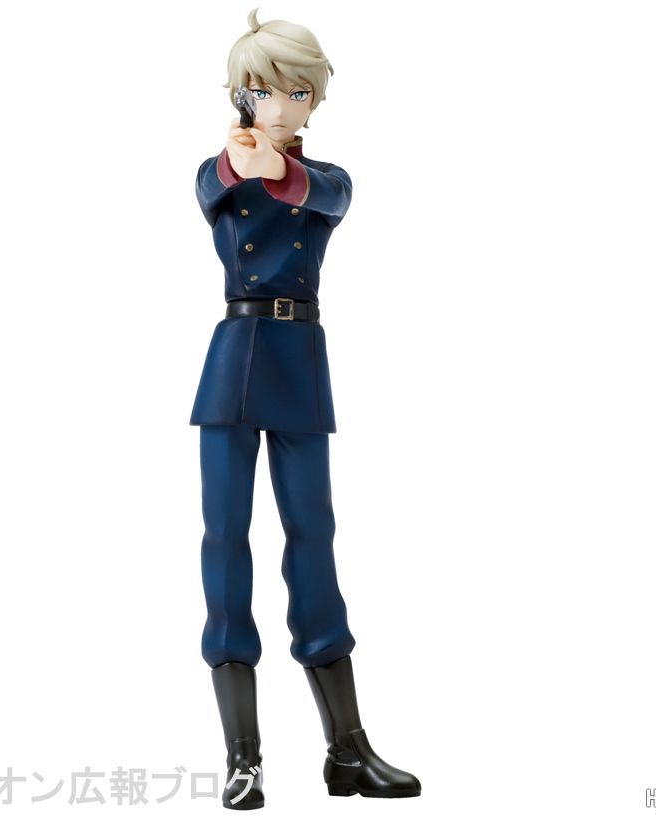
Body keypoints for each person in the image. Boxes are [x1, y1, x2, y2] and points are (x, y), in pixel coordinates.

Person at [189, 8, 421, 809]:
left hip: (298, 361)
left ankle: (347, 749)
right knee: (226, 543)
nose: (281, 105)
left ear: (315, 98)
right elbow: (216, 184)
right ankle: (243, 756)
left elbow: (315, 194)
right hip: (233, 360)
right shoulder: (215, 170)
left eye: (296, 91)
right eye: (263, 90)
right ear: (240, 94)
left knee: (312, 540)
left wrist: (272, 165)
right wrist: (241, 157)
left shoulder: (329, 180)